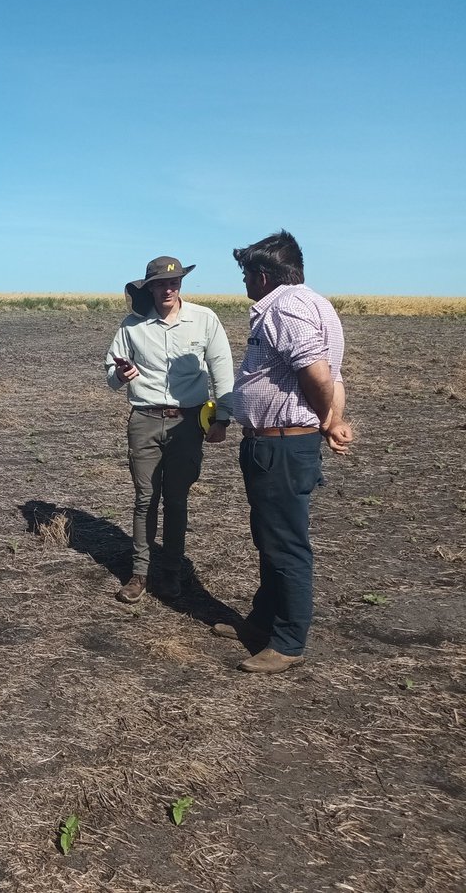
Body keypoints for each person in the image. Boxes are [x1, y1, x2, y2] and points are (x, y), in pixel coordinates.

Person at [216, 230, 352, 674]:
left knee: (286, 545)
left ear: (262, 276)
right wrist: (332, 420)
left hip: (282, 444)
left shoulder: (286, 306)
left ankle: (289, 641)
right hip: (279, 443)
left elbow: (317, 375)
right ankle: (263, 623)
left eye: (245, 275)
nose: (244, 285)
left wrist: (324, 417)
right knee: (270, 538)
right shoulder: (316, 303)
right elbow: (336, 376)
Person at [105, 256, 235, 603]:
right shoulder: (131, 326)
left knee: (177, 499)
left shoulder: (204, 319)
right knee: (145, 498)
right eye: (161, 283)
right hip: (144, 419)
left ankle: (172, 572)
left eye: (175, 282)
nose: (169, 288)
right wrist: (120, 375)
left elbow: (221, 366)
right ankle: (139, 573)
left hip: (188, 422)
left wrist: (223, 416)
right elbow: (110, 375)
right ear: (149, 287)